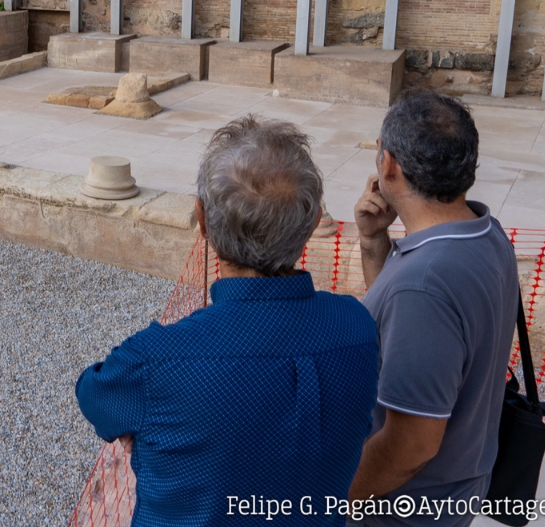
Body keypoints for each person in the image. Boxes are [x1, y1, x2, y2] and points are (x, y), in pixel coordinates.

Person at [75, 116, 379, 527]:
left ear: (203, 221)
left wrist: (147, 424)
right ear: (310, 226)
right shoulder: (357, 328)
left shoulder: (154, 361)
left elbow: (95, 395)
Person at [349, 90, 518, 526]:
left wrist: (334, 495)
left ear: (388, 165)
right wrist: (374, 242)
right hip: (458, 488)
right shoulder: (487, 233)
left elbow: (411, 446)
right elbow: (400, 326)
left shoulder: (423, 287)